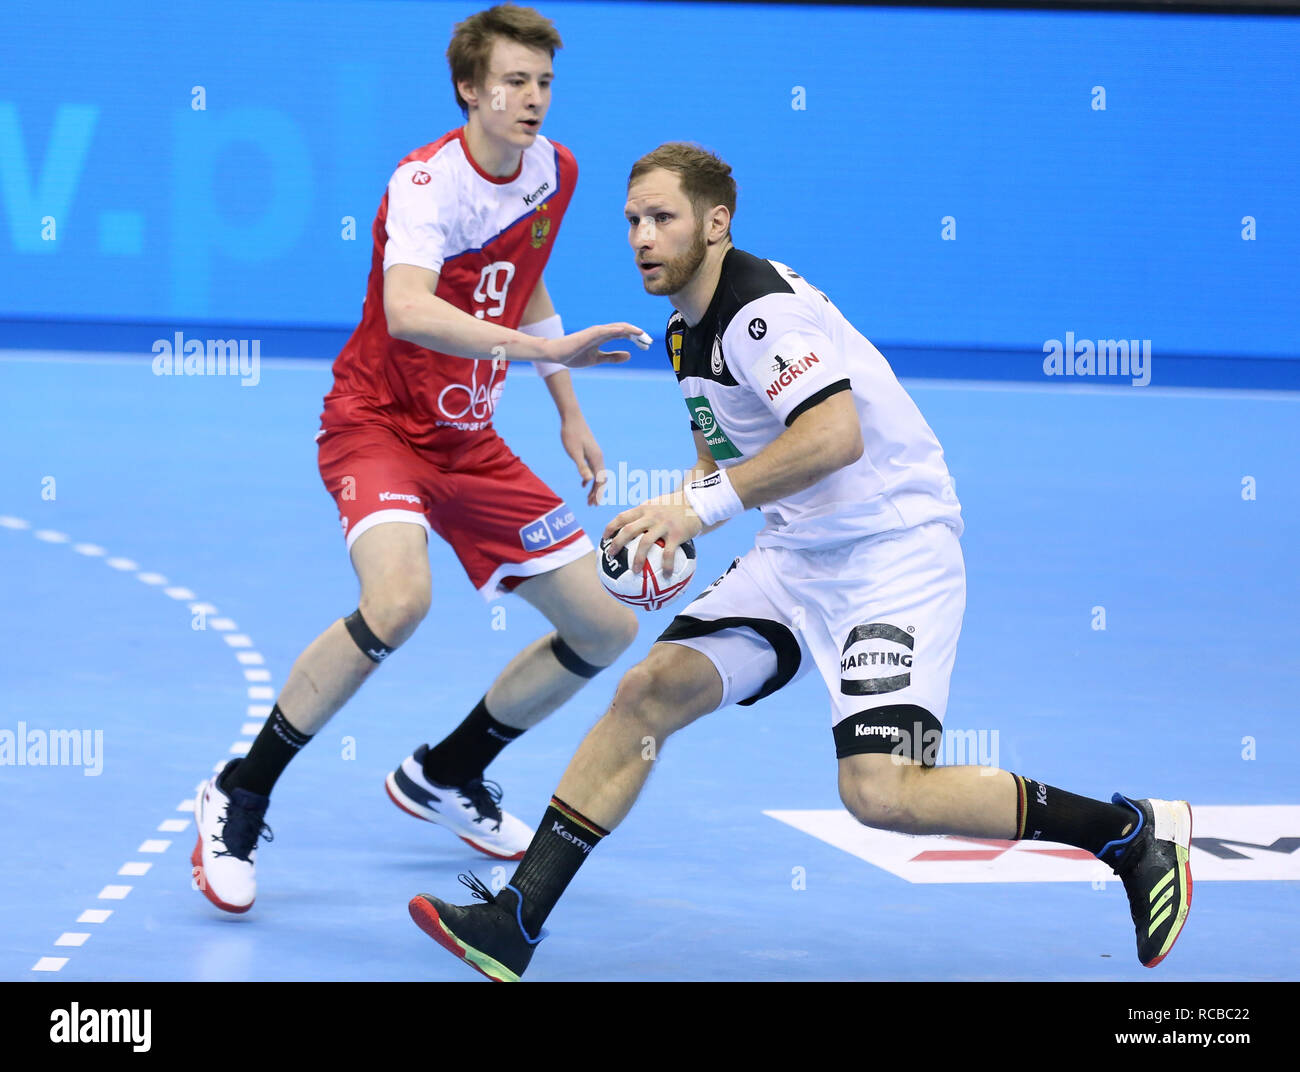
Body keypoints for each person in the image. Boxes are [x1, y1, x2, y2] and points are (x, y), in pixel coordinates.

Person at [407, 143, 1194, 980]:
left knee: (882, 794)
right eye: (632, 220)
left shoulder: (759, 312)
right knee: (648, 690)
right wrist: (670, 523)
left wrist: (699, 507)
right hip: (796, 553)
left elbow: (833, 435)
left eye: (662, 218)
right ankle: (516, 920)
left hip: (892, 556)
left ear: (717, 224)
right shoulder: (685, 331)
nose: (642, 236)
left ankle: (1131, 834)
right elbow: (727, 457)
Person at [192, 4, 651, 914]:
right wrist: (546, 358)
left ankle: (447, 773)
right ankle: (241, 791)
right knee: (400, 601)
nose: (533, 100)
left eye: (545, 83)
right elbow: (408, 308)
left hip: (470, 440)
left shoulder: (554, 172)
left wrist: (567, 407)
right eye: (515, 82)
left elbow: (523, 279)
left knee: (606, 629)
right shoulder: (424, 186)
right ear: (470, 90)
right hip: (378, 424)